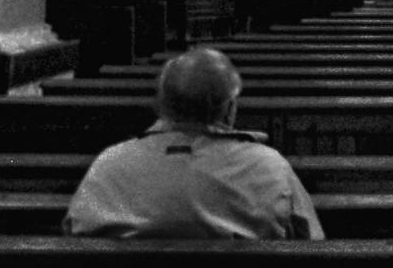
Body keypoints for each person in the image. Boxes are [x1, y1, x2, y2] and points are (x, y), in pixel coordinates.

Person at [63, 47, 322, 240]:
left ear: (162, 107)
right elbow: (310, 241)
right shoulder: (269, 165)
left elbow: (74, 231)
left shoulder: (110, 163)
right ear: (229, 109)